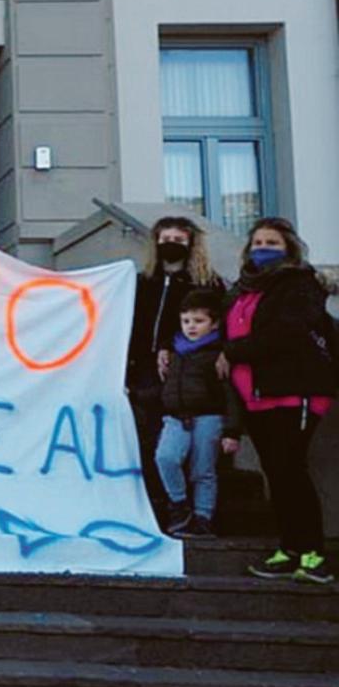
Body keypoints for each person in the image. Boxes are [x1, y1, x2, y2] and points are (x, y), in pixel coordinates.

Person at [223, 217, 336, 583]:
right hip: (256, 397)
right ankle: (289, 548)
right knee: (278, 474)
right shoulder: (243, 290)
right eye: (257, 241)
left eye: (272, 242)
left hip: (294, 393)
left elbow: (287, 332)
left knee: (291, 471)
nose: (263, 248)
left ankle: (312, 553)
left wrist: (234, 352)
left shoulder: (299, 285)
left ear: (288, 248)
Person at [127, 216, 224, 524]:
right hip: (143, 367)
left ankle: (197, 511)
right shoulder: (143, 282)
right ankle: (163, 502)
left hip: (187, 370)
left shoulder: (207, 283)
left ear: (191, 244)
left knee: (191, 450)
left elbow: (216, 326)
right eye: (164, 238)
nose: (171, 244)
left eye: (179, 240)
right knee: (152, 440)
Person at [155, 289, 241, 538]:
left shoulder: (218, 354)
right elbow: (166, 385)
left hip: (208, 417)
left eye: (199, 321)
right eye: (186, 321)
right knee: (165, 457)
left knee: (203, 470)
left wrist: (232, 431)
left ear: (214, 324)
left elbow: (230, 394)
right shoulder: (175, 350)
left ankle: (203, 517)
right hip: (176, 416)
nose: (191, 327)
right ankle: (179, 505)